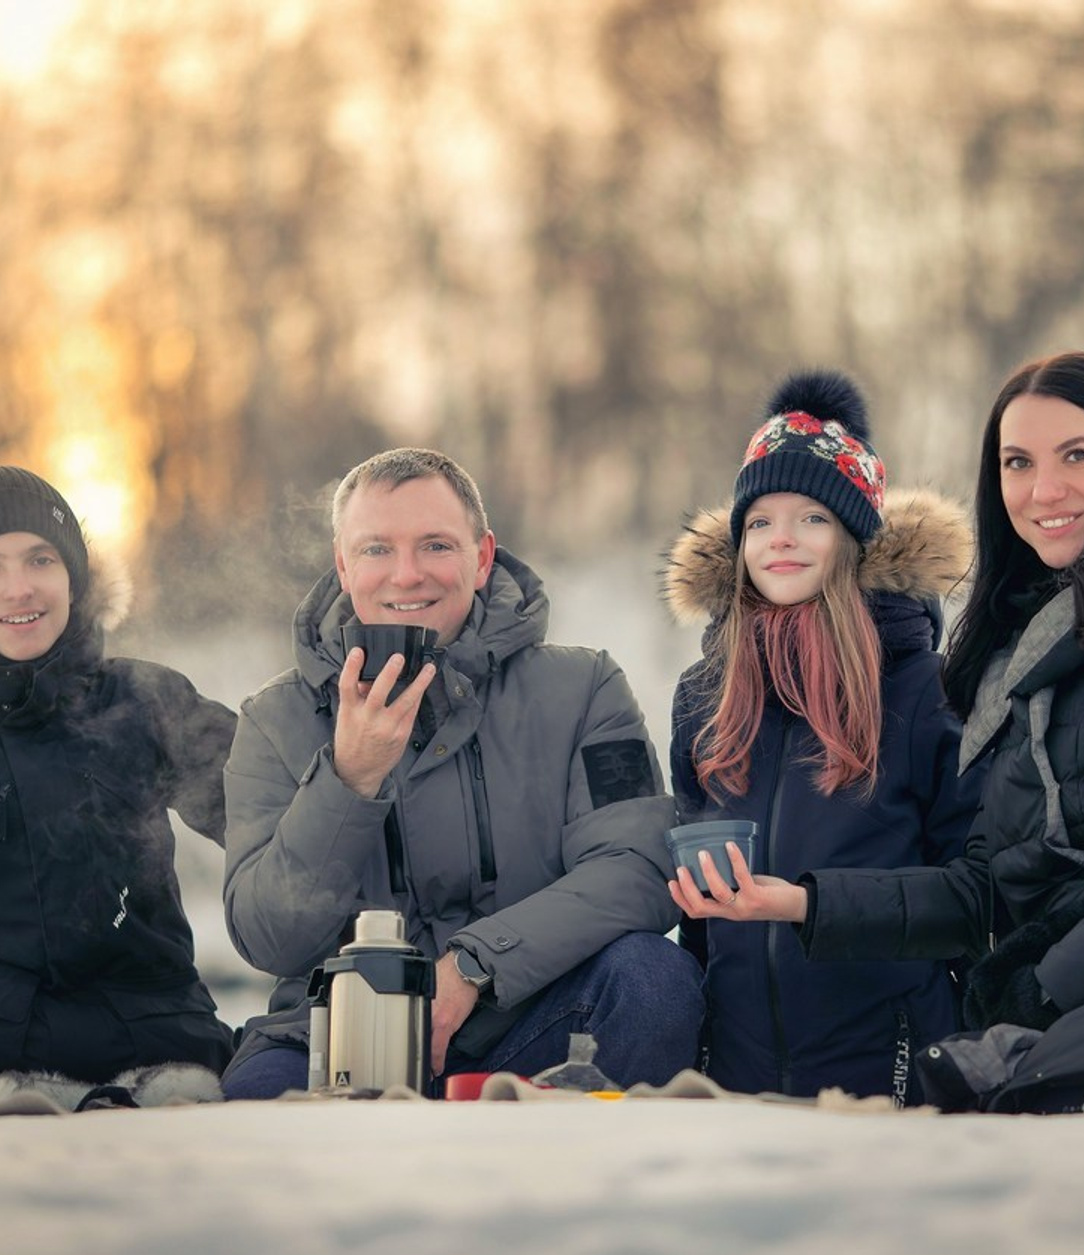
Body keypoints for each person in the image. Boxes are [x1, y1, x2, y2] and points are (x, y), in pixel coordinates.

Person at [672, 352, 1084, 1114]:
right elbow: (986, 886)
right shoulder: (1024, 648)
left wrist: (1045, 985)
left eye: (1077, 455)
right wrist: (803, 903)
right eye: (1017, 462)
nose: (1043, 489)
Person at [220, 447, 702, 1098]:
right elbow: (268, 937)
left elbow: (638, 868)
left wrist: (477, 965)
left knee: (653, 978)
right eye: (376, 550)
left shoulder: (583, 687)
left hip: (533, 1018)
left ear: (481, 559)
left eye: (436, 545)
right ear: (342, 564)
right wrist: (350, 779)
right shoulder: (275, 719)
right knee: (254, 1105)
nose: (407, 575)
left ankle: (581, 1183)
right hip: (330, 1036)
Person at [663, 369, 986, 1102]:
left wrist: (807, 905)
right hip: (736, 1078)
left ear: (853, 540)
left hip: (897, 1070)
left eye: (812, 517)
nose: (781, 539)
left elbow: (976, 897)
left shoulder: (926, 689)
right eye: (759, 521)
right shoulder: (703, 696)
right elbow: (701, 924)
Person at [0, 466, 236, 1094]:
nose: (18, 589)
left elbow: (275, 820)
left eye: (39, 559)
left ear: (74, 578)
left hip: (158, 1042)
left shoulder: (144, 700)